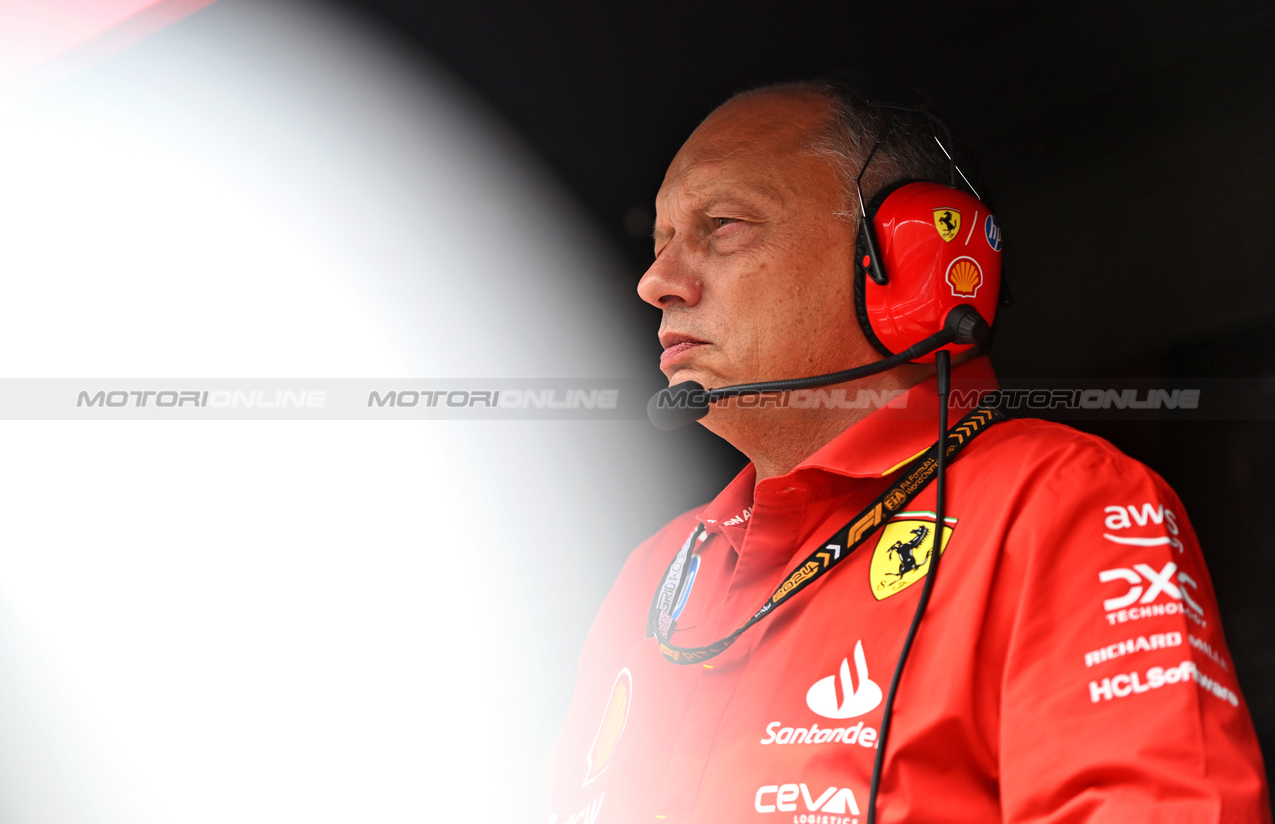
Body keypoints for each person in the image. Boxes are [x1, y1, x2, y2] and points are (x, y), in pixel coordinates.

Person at [542, 81, 1270, 823]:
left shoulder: (1060, 504)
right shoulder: (654, 576)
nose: (656, 282)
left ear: (906, 257)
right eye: (660, 242)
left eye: (722, 225)